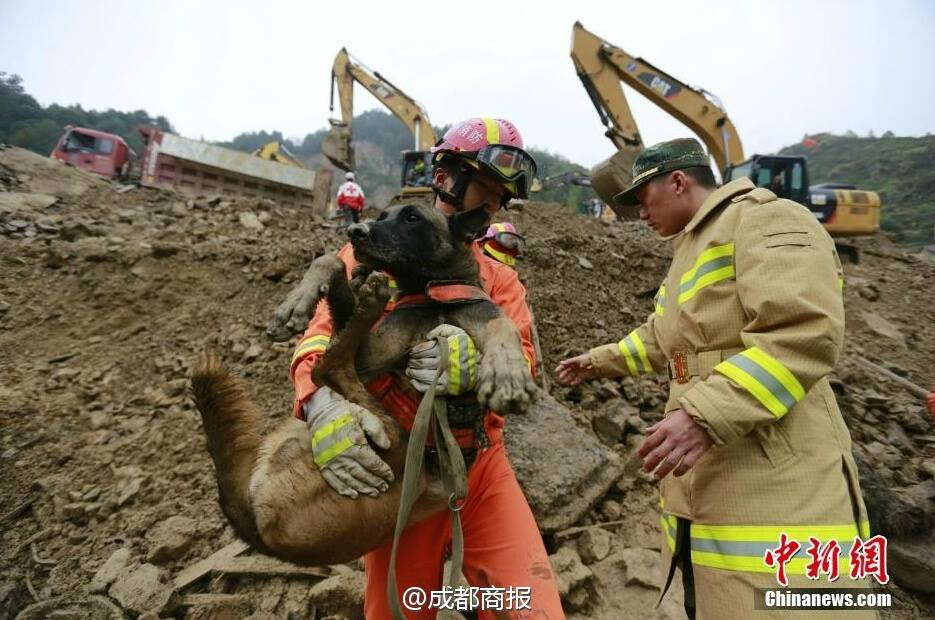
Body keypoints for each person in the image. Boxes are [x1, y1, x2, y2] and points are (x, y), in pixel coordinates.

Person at [555, 138, 874, 619]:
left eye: (643, 198)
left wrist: (706, 415)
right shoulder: (690, 249)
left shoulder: (765, 218)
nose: (639, 213)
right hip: (714, 475)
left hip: (775, 470)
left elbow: (803, 332)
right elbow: (666, 338)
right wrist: (598, 360)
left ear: (679, 181)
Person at [291, 118, 563, 619]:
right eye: (486, 187)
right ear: (447, 177)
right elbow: (323, 333)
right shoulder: (371, 248)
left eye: (501, 199)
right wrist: (320, 403)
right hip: (401, 473)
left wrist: (478, 363)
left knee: (531, 607)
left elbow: (522, 360)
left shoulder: (498, 278)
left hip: (479, 470)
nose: (492, 206)